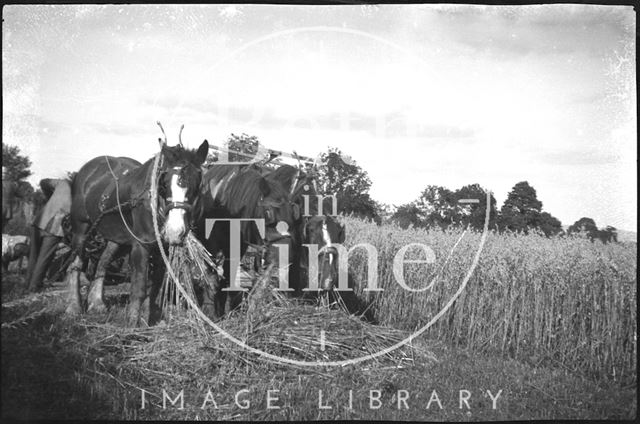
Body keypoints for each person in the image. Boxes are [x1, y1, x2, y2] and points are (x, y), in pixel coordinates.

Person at [26, 178, 72, 292]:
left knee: (33, 256)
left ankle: (27, 284)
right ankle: (34, 287)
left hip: (39, 222)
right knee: (44, 258)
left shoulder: (62, 183)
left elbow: (43, 182)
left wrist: (49, 196)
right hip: (55, 228)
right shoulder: (81, 194)